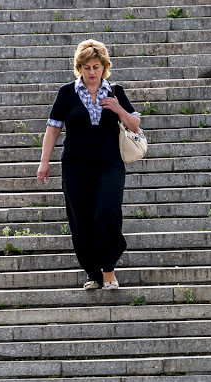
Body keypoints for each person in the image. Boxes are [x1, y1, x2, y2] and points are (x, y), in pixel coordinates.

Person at [37, 39, 141, 290]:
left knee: (107, 212)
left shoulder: (115, 91)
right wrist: (44, 162)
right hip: (76, 166)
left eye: (96, 66)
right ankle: (93, 273)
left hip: (109, 164)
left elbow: (135, 126)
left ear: (104, 67)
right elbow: (53, 129)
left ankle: (109, 269)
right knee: (81, 219)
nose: (91, 72)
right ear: (79, 68)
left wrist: (118, 109)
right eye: (86, 67)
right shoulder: (66, 93)